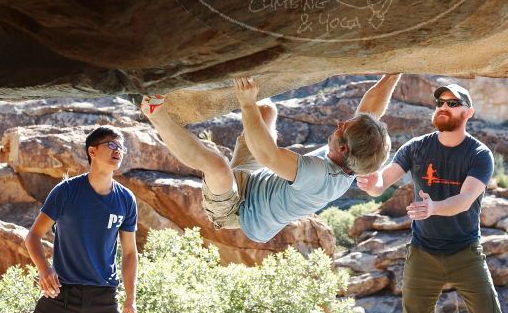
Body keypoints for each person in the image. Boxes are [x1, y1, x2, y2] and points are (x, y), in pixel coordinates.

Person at [140, 74, 400, 243]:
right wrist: (394, 73)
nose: (340, 122)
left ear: (343, 149)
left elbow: (267, 155)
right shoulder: (356, 156)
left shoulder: (319, 175)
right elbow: (369, 111)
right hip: (255, 179)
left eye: (342, 128)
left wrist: (246, 103)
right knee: (267, 111)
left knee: (217, 166)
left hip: (238, 209)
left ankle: (153, 111)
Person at [357, 83, 504, 313]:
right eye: (440, 103)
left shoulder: (479, 154)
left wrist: (433, 208)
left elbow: (466, 200)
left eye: (453, 104)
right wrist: (373, 182)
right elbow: (382, 181)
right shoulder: (416, 148)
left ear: (468, 113)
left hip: (465, 251)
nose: (444, 107)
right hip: (423, 252)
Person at [24, 126, 138, 313]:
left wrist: (130, 299)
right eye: (111, 144)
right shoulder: (66, 191)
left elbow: (129, 253)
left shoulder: (126, 199)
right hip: (60, 292)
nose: (118, 150)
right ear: (92, 151)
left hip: (104, 295)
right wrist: (44, 270)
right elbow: (33, 236)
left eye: (121, 147)